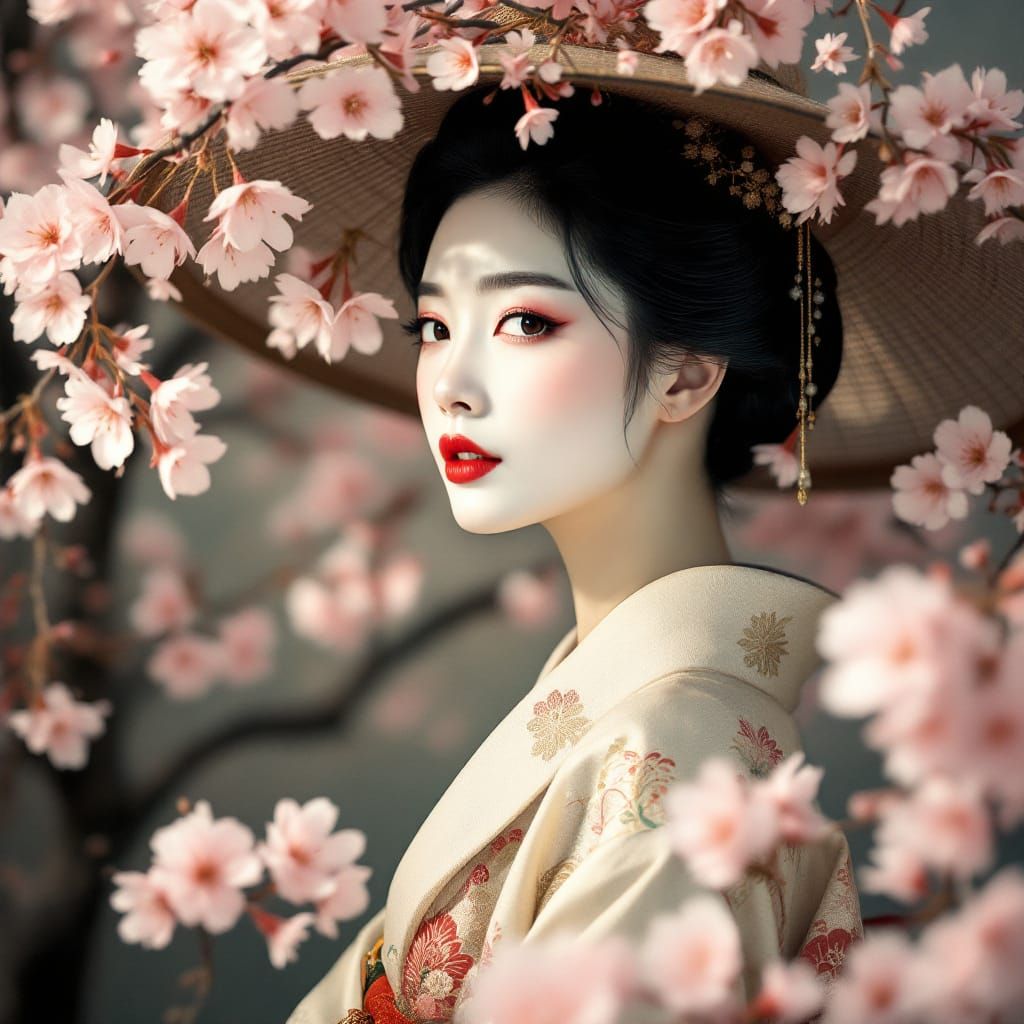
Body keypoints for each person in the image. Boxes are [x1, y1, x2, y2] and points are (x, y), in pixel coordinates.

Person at [283, 83, 862, 1024]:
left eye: (525, 322)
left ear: (685, 374)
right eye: (433, 327)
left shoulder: (676, 754)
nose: (452, 389)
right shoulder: (635, 710)